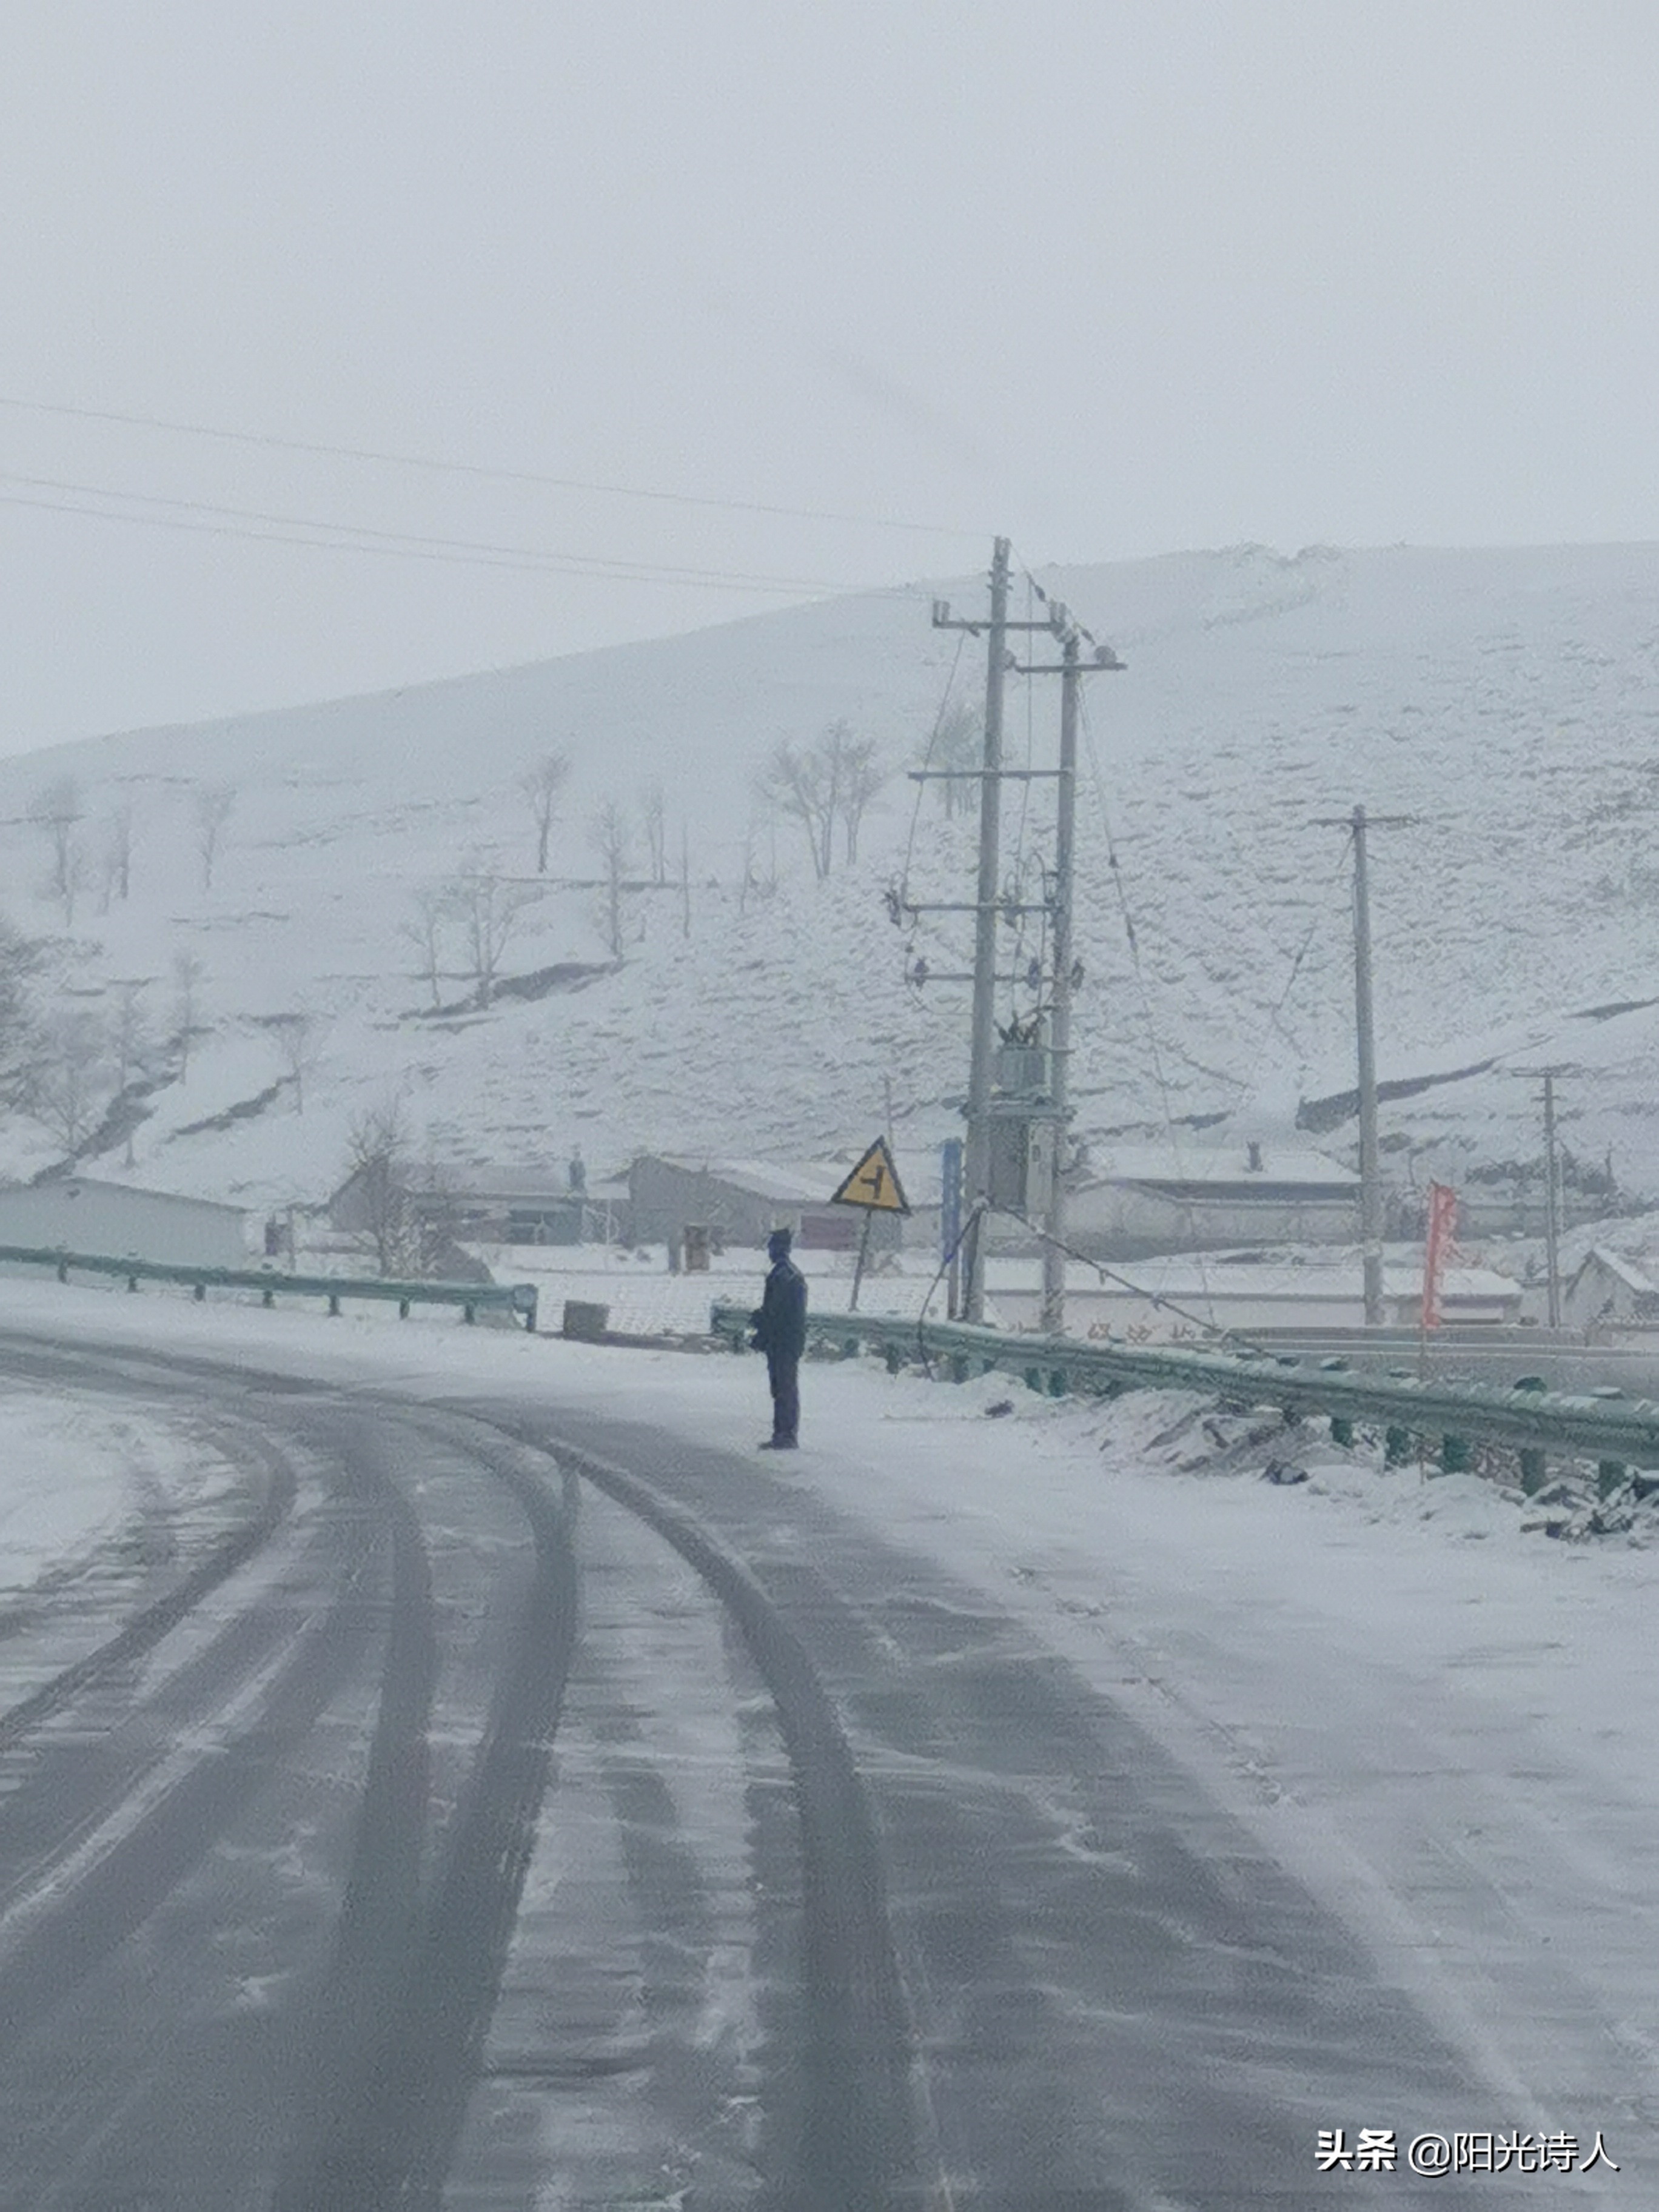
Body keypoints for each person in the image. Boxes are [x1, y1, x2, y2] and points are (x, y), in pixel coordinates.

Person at [749, 1225, 806, 1449]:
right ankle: (783, 1432)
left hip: (783, 1341)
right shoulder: (789, 1274)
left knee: (784, 1387)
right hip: (787, 1340)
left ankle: (786, 1434)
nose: (769, 1252)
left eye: (772, 1247)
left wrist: (762, 1328)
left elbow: (777, 1312)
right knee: (783, 1386)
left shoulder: (783, 1276)